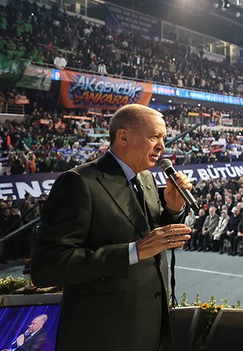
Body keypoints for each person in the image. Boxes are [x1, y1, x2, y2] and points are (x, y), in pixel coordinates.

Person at [31, 104, 191, 351]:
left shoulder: (146, 178)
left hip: (147, 326)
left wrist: (172, 210)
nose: (162, 147)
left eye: (164, 138)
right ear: (124, 137)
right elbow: (47, 267)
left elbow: (152, 240)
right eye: (154, 137)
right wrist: (132, 252)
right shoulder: (79, 183)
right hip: (102, 334)